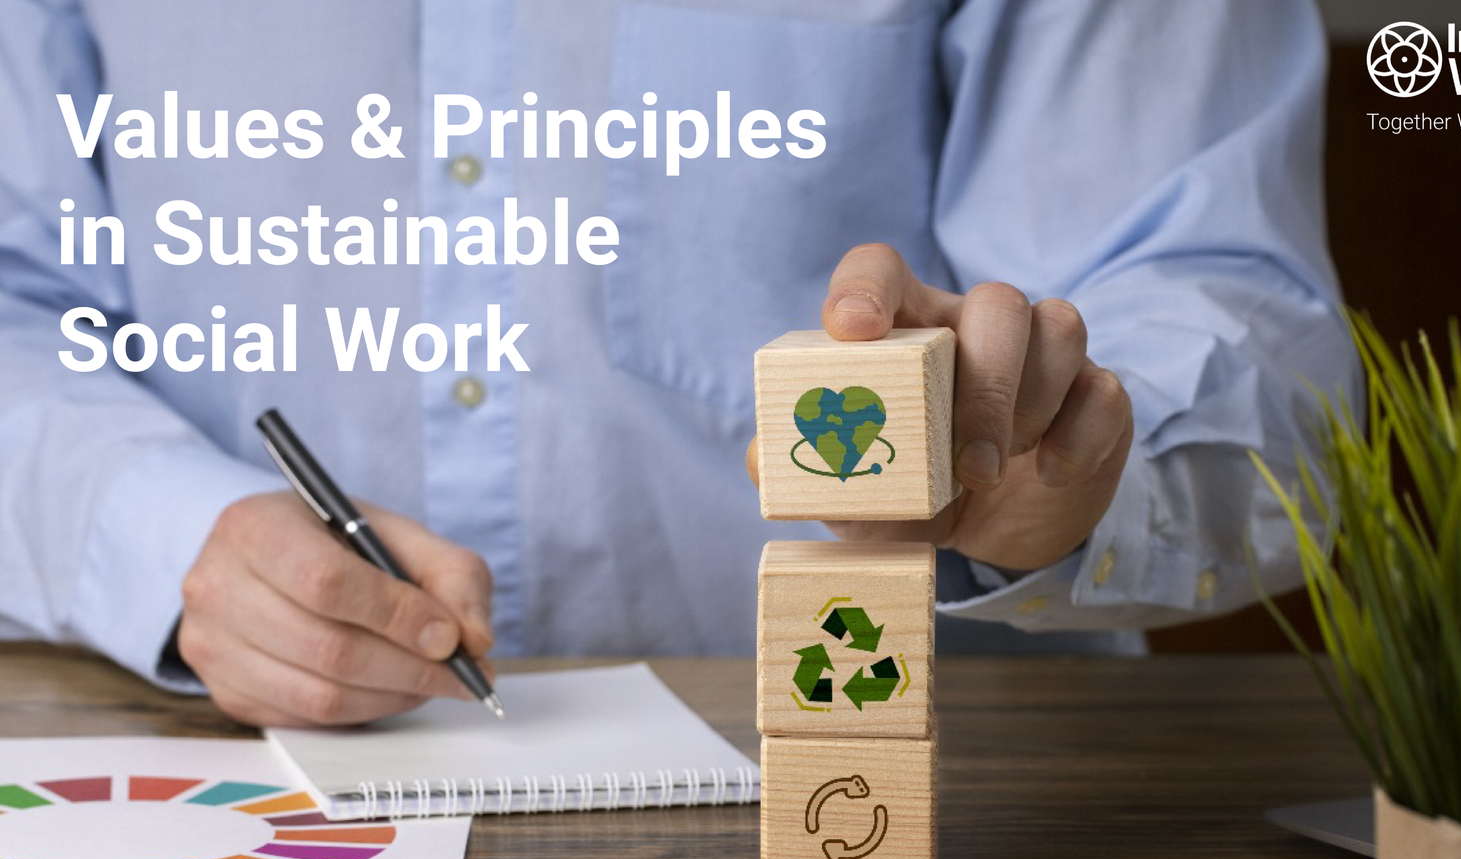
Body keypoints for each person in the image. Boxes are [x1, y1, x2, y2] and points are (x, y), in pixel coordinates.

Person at [0, 0, 1355, 727]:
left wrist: (1082, 469)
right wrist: (173, 535)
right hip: (228, 772)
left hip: (950, 788)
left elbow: (1232, 311)